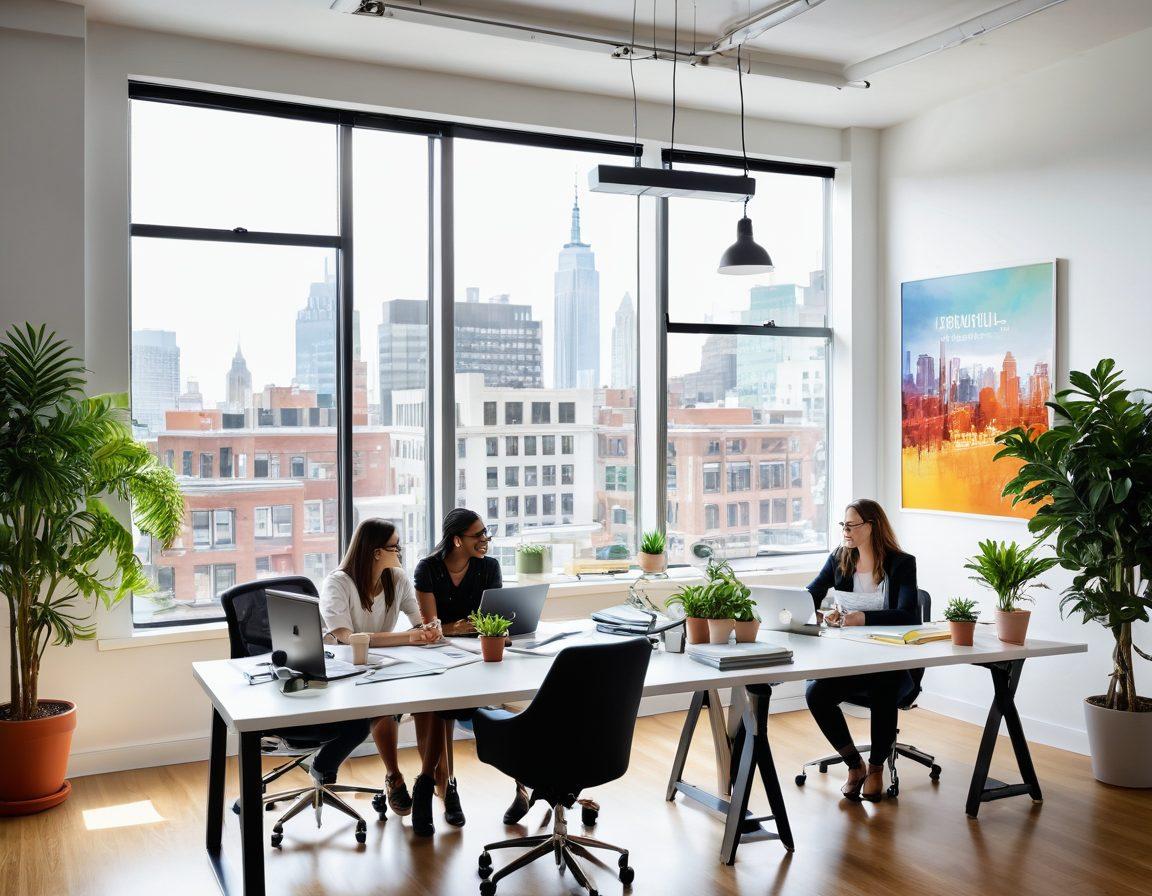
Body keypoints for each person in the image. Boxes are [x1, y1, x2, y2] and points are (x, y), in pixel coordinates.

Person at [413, 508, 530, 832]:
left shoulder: (488, 567)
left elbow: (494, 619)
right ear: (456, 540)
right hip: (442, 657)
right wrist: (454, 628)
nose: (485, 540)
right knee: (442, 704)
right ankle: (433, 787)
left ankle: (523, 789)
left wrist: (476, 629)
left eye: (485, 533)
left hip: (481, 654)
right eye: (478, 535)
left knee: (516, 705)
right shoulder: (428, 569)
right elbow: (431, 627)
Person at [319, 518, 441, 825]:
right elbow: (346, 636)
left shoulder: (397, 578)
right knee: (382, 708)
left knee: (432, 699)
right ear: (375, 552)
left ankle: (430, 784)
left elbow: (417, 620)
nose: (400, 550)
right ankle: (394, 776)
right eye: (394, 545)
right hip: (344, 671)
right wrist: (408, 637)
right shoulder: (338, 583)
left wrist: (428, 628)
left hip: (381, 668)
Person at [805, 498, 920, 802]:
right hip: (850, 663)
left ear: (871, 527)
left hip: (892, 665)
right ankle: (854, 765)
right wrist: (813, 613)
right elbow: (810, 594)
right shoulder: (839, 560)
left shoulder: (901, 563)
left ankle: (877, 767)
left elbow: (910, 615)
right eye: (843, 524)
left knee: (884, 684)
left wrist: (863, 618)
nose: (845, 530)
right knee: (815, 693)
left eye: (851, 525)